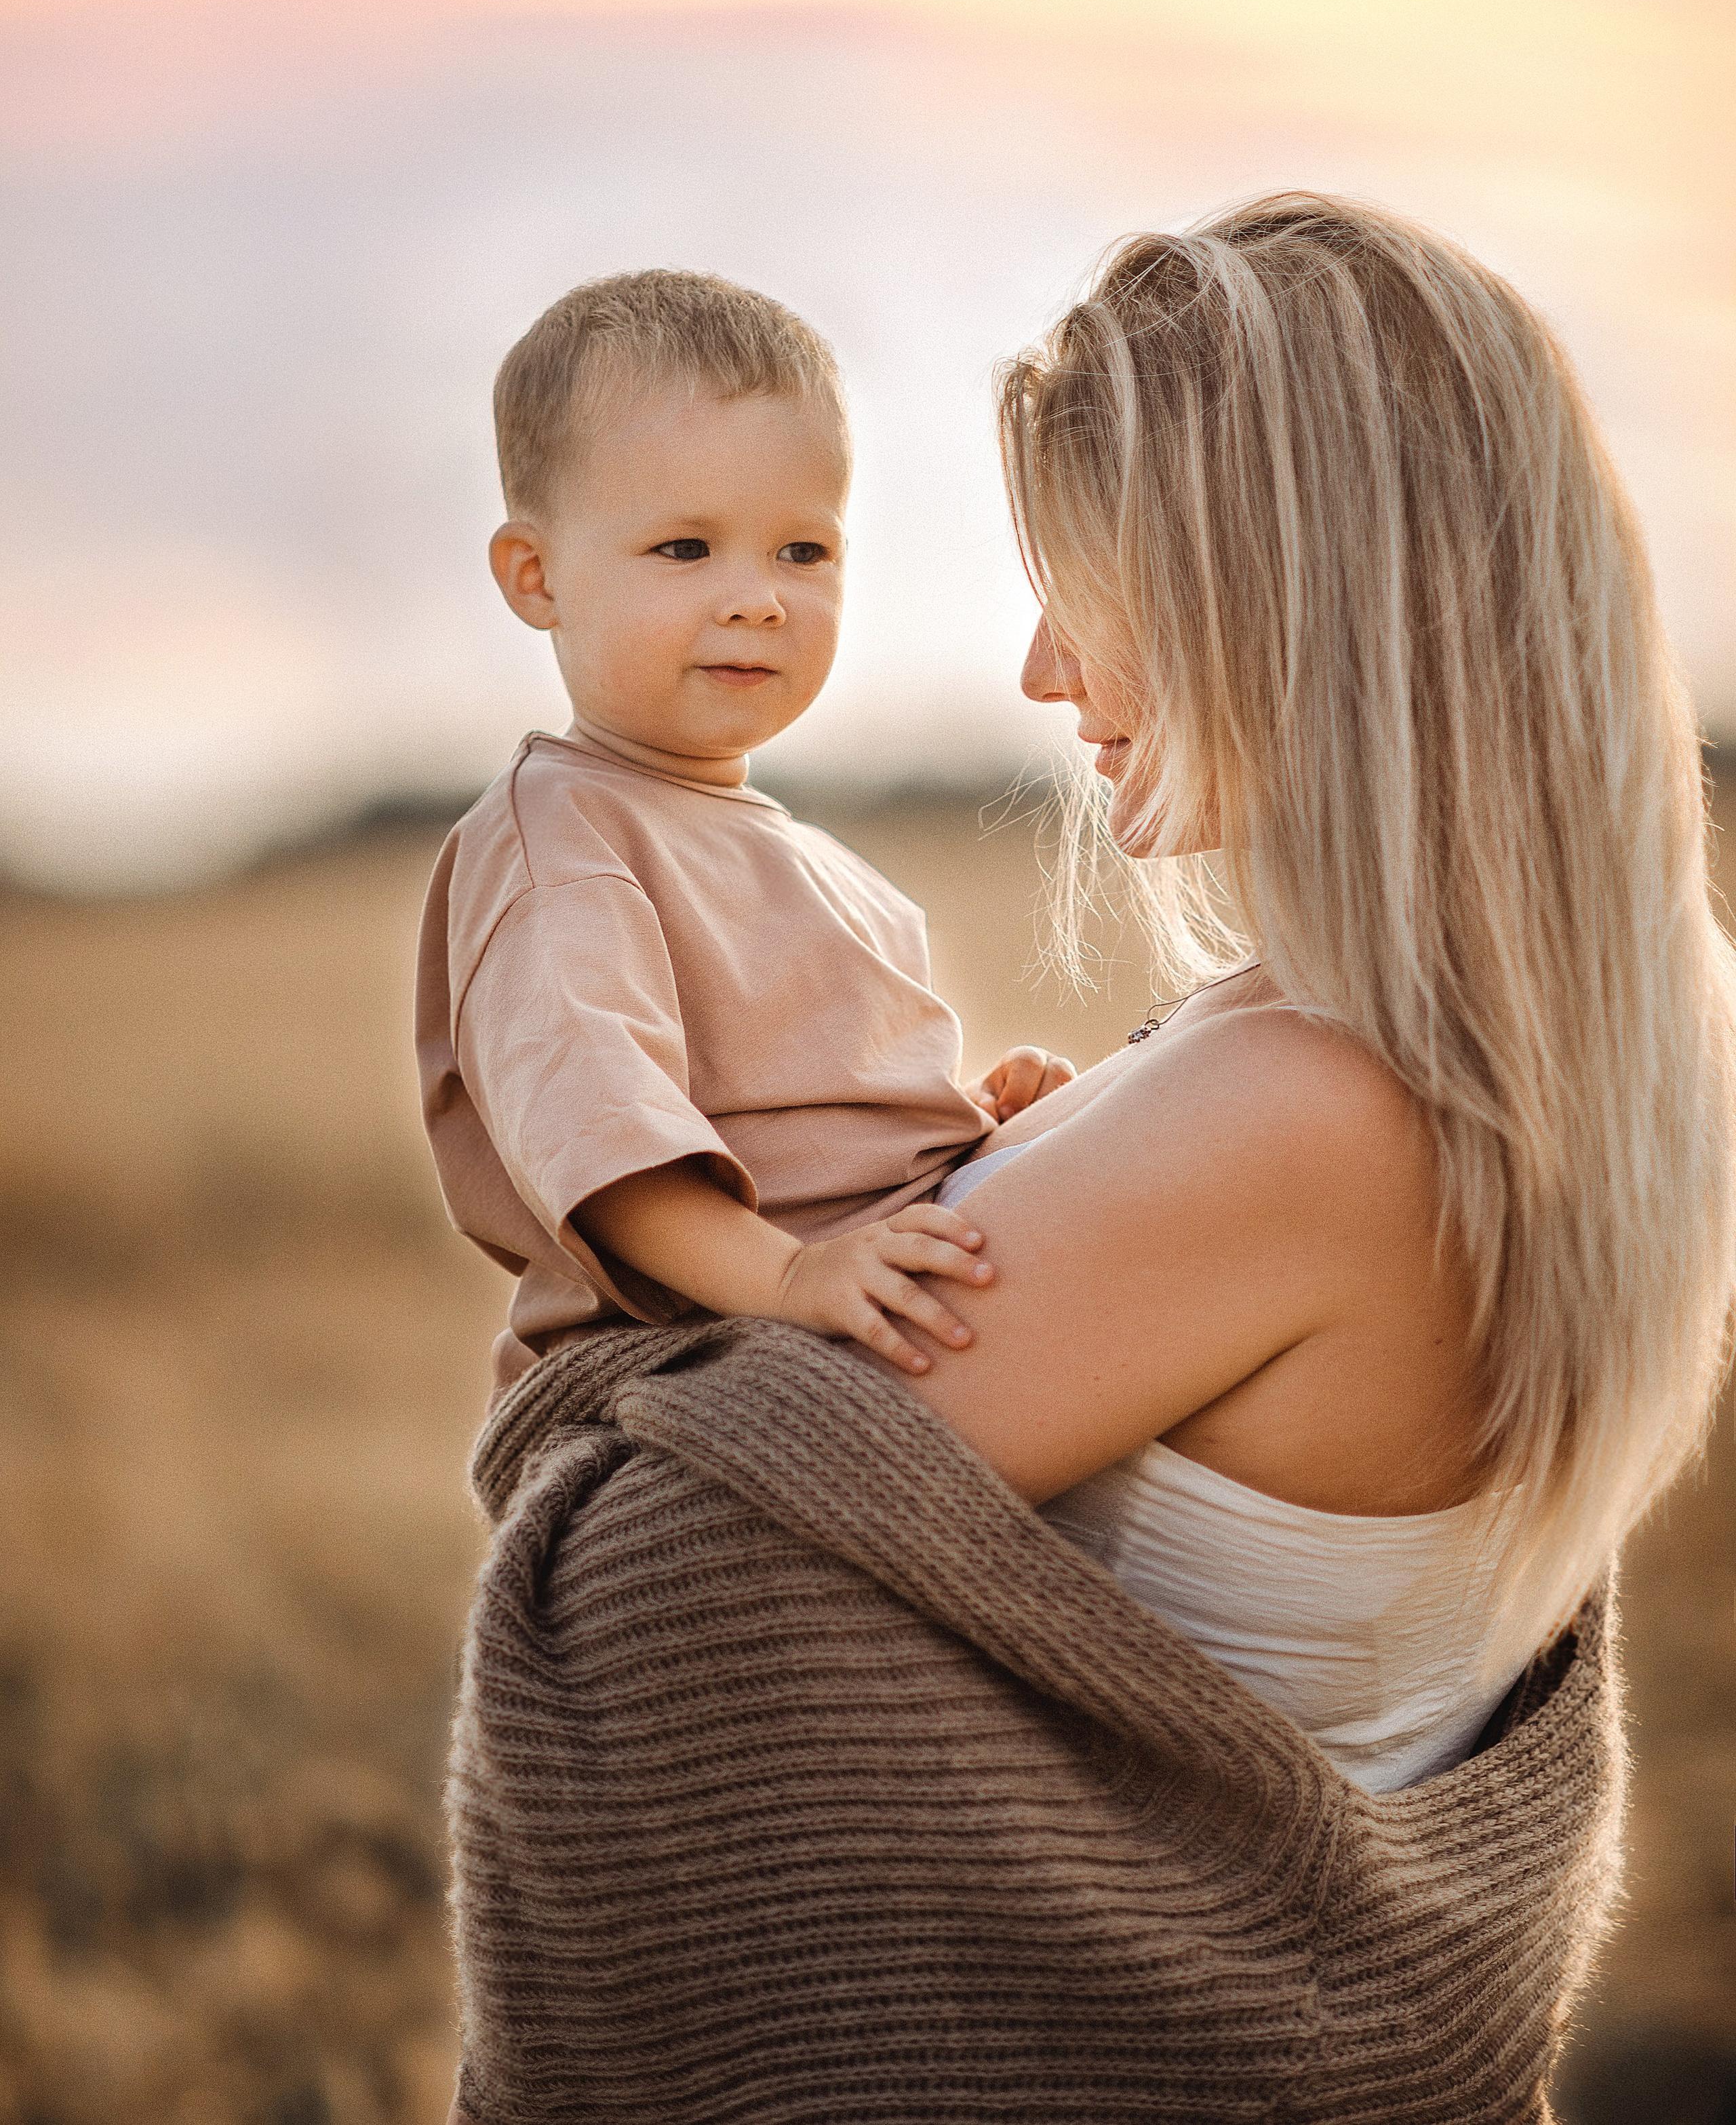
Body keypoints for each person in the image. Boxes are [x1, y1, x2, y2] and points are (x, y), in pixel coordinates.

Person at [443, 197, 1734, 2125]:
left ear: (1288, 593)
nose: (1047, 668)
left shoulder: (1321, 1105)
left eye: (1092, 579)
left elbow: (649, 1592)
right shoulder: (1561, 1055)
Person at [416, 267, 1073, 1399]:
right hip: (709, 1353)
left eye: (801, 553)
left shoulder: (810, 860)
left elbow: (811, 1132)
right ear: (538, 578)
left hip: (847, 1297)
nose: (758, 599)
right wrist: (794, 1275)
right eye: (686, 550)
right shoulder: (564, 847)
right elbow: (611, 1153)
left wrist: (969, 1115)